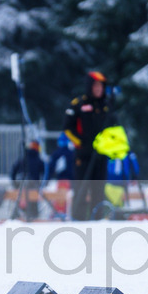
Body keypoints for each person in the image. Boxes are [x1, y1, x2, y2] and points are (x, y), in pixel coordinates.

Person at [65, 71, 115, 221]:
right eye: (96, 86)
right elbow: (68, 128)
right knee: (81, 188)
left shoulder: (107, 105)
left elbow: (113, 127)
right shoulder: (79, 104)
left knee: (98, 190)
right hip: (83, 155)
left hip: (101, 154)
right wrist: (81, 143)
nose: (99, 89)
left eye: (101, 86)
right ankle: (78, 219)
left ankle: (98, 218)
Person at [10, 142, 45, 219]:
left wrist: (14, 182)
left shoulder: (23, 158)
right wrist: (42, 183)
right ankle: (33, 215)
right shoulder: (38, 159)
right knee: (32, 201)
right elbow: (45, 172)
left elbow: (13, 170)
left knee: (21, 200)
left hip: (22, 184)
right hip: (34, 185)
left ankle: (19, 214)